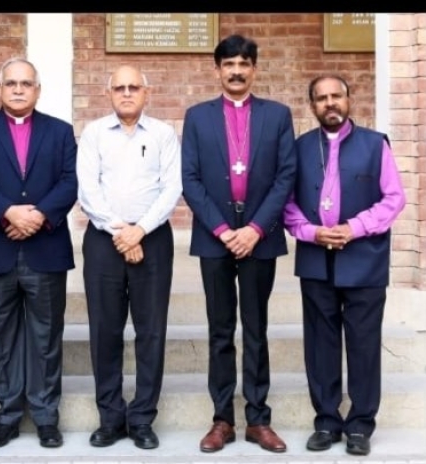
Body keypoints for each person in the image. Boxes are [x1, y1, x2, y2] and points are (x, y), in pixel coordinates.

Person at [180, 34, 296, 454]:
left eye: (244, 63)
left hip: (259, 240)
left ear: (254, 69)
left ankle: (259, 419)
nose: (236, 70)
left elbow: (286, 175)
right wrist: (223, 229)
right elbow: (189, 179)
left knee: (257, 329)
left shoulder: (278, 115)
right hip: (215, 239)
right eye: (228, 64)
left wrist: (255, 229)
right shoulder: (197, 116)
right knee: (220, 330)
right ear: (217, 70)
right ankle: (223, 419)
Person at [0, 57, 77, 449]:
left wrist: (40, 215)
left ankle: (45, 416)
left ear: (38, 90)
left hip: (45, 247)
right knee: (2, 337)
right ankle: (7, 414)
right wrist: (7, 212)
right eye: (11, 83)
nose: (19, 89)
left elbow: (69, 180)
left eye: (26, 83)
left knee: (46, 337)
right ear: (0, 88)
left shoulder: (60, 132)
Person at [283, 75, 405, 457]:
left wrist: (354, 227)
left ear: (349, 99)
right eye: (321, 99)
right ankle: (326, 421)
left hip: (364, 260)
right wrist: (310, 232)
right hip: (317, 259)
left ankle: (360, 425)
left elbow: (393, 199)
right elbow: (286, 204)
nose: (330, 103)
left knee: (364, 344)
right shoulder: (300, 148)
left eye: (336, 96)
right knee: (320, 345)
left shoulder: (374, 144)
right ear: (312, 106)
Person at [76, 65, 181, 450]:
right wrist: (121, 230)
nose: (126, 93)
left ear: (145, 92)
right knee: (105, 330)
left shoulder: (164, 134)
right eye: (119, 87)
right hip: (105, 240)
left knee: (150, 331)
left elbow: (172, 188)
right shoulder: (93, 134)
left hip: (152, 239)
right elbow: (87, 190)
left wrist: (140, 230)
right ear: (109, 94)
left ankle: (141, 418)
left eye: (133, 87)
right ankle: (110, 417)